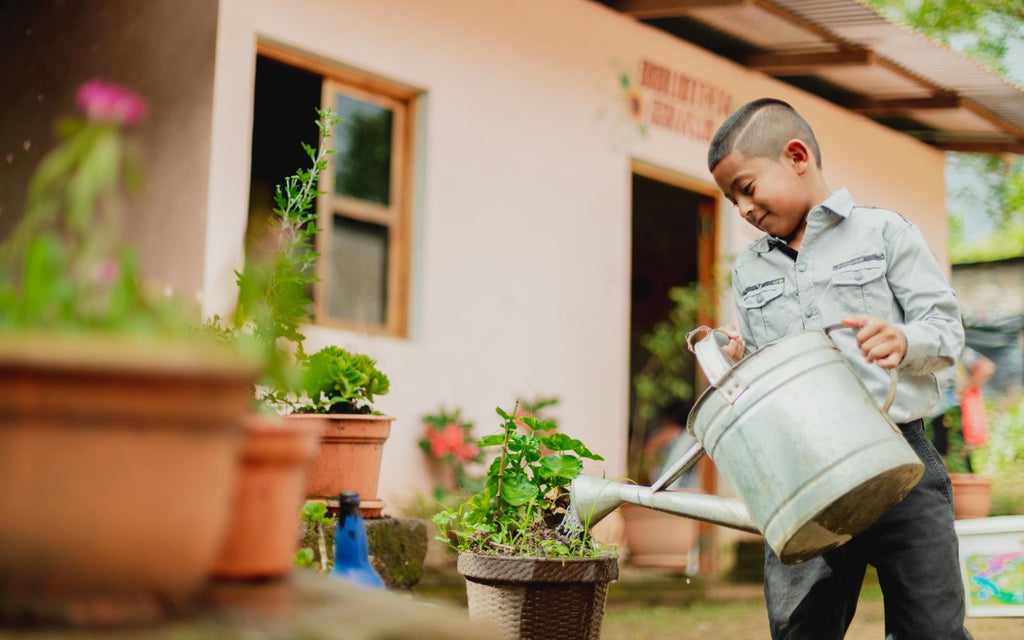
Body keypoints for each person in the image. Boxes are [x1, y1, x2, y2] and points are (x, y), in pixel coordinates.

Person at [707, 98, 970, 639]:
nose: (743, 210)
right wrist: (739, 363)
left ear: (797, 156)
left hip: (901, 457)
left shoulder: (885, 234)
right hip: (804, 476)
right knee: (801, 628)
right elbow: (767, 374)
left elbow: (946, 330)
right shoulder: (749, 268)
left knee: (932, 627)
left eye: (748, 188)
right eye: (731, 199)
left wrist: (903, 338)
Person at [929, 345, 995, 469]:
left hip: (948, 411)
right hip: (932, 413)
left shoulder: (954, 348)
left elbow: (986, 368)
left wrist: (964, 389)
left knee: (954, 459)